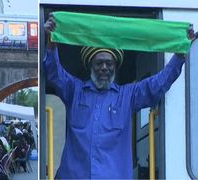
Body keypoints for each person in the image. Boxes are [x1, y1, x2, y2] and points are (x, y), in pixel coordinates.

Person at [44, 13, 196, 179]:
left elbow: (157, 85)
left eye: (109, 63)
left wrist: (180, 55)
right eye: (99, 63)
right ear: (90, 65)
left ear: (115, 67)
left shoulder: (127, 96)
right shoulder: (74, 90)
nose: (104, 67)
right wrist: (51, 44)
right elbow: (54, 73)